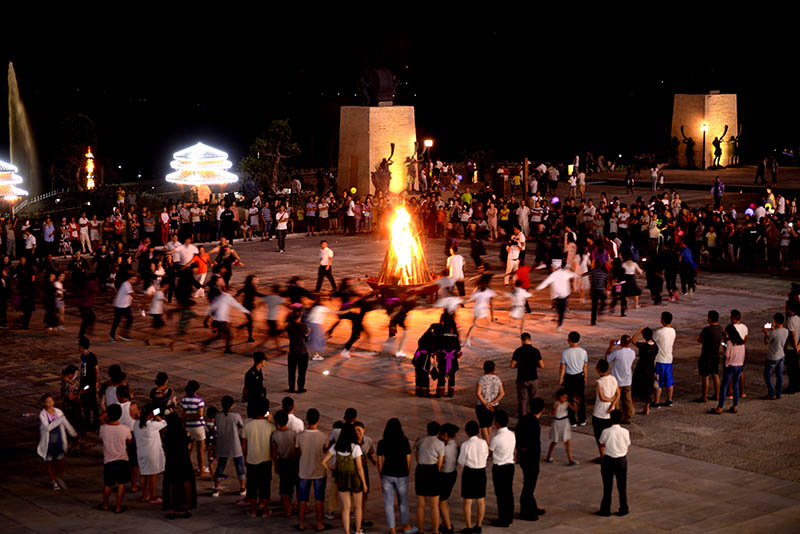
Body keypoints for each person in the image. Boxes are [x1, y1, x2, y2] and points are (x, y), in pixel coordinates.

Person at [321, 424, 367, 534]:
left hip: (341, 478)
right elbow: (360, 468)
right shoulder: (355, 447)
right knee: (357, 507)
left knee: (346, 507)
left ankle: (346, 532)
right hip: (354, 478)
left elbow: (323, 462)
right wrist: (364, 484)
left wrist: (331, 469)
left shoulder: (336, 446)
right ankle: (357, 530)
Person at [377, 418, 416, 534]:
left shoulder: (382, 442)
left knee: (388, 503)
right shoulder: (404, 441)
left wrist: (381, 475)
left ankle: (392, 530)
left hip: (387, 474)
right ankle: (405, 526)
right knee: (403, 502)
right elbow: (408, 458)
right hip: (402, 474)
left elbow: (379, 462)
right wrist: (407, 471)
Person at [296, 408, 328, 532]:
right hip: (319, 471)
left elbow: (298, 453)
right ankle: (320, 523)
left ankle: (301, 522)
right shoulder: (323, 436)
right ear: (319, 419)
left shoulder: (300, 436)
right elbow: (325, 451)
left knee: (303, 499)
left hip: (304, 471)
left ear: (306, 420)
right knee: (319, 499)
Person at [242, 398, 275, 517]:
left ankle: (252, 510)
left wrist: (245, 458)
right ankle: (265, 509)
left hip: (251, 460)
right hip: (266, 460)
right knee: (265, 486)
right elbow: (273, 445)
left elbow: (244, 445)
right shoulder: (271, 426)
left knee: (252, 486)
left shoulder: (247, 426)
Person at [38, 393, 78, 490]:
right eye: (48, 402)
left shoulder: (58, 412)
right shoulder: (42, 414)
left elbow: (66, 423)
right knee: (49, 461)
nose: (50, 403)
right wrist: (60, 420)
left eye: (51, 401)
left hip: (59, 439)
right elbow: (48, 427)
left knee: (61, 460)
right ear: (44, 403)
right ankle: (53, 480)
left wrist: (73, 433)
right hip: (49, 441)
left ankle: (58, 476)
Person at [712, 310, 748, 414]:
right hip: (739, 365)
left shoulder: (730, 343)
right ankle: (735, 405)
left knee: (724, 386)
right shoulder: (742, 344)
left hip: (730, 365)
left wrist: (723, 345)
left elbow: (727, 354)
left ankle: (720, 407)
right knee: (736, 385)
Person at [162, 412, 197, 519]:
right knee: (187, 483)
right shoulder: (185, 433)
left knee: (171, 484)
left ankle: (172, 509)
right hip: (184, 460)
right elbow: (190, 445)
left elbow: (165, 448)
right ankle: (188, 508)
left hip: (172, 460)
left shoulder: (166, 435)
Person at [516, 398, 546, 521]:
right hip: (531, 458)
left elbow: (518, 436)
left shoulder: (523, 419)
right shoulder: (534, 424)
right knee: (529, 484)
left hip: (524, 457)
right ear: (542, 410)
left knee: (529, 483)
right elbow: (533, 443)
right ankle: (525, 510)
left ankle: (532, 506)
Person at [99, 404, 132, 513]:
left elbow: (101, 439)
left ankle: (105, 504)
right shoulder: (125, 429)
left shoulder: (103, 429)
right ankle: (118, 506)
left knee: (108, 484)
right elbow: (129, 440)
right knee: (121, 484)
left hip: (109, 460)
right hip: (122, 459)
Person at [596, 410, 630, 517]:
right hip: (621, 460)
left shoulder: (606, 431)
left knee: (607, 487)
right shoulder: (625, 432)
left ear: (610, 418)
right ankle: (623, 508)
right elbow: (627, 443)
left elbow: (601, 443)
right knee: (622, 486)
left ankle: (605, 510)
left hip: (608, 460)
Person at [211, 395, 246, 498]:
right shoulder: (236, 416)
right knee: (239, 466)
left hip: (222, 444)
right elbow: (242, 427)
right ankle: (242, 487)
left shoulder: (217, 416)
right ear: (232, 405)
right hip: (234, 444)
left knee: (220, 466)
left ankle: (216, 488)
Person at [458, 420, 489, 534]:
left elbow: (461, 461)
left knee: (468, 501)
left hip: (469, 473)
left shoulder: (465, 445)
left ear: (467, 432)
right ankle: (478, 525)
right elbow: (486, 455)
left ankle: (468, 527)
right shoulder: (483, 443)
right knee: (480, 500)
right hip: (481, 472)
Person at [414, 421, 445, 534]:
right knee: (434, 505)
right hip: (433, 471)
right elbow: (440, 463)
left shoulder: (420, 440)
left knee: (421, 505)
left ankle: (420, 530)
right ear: (438, 431)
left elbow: (416, 455)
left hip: (421, 470)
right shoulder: (440, 443)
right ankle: (436, 531)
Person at [134, 404, 167, 504]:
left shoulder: (136, 423)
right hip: (152, 454)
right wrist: (156, 415)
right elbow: (164, 422)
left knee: (144, 474)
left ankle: (144, 495)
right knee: (153, 476)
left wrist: (152, 414)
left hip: (141, 453)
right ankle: (152, 497)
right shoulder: (151, 425)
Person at [489, 410, 516, 528]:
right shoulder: (512, 434)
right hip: (510, 466)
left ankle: (503, 519)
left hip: (499, 468)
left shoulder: (496, 438)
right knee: (508, 492)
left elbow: (490, 452)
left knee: (500, 494)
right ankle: (509, 516)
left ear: (497, 423)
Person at [271, 410, 299, 519]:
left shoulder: (275, 435)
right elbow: (297, 450)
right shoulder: (293, 434)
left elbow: (274, 453)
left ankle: (287, 508)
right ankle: (294, 505)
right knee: (293, 484)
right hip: (293, 462)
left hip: (282, 462)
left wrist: (275, 464)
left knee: (284, 487)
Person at [536, 262, 578, 331]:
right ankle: (560, 324)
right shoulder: (565, 272)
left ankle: (559, 321)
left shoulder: (554, 274)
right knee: (562, 311)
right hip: (565, 295)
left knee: (559, 310)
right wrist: (579, 275)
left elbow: (546, 282)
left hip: (557, 296)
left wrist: (538, 288)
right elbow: (573, 275)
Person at [592, 360, 619, 461]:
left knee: (599, 436)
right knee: (609, 436)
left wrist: (610, 400)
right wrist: (613, 404)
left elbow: (602, 398)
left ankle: (603, 456)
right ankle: (610, 454)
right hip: (610, 413)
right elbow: (618, 394)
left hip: (599, 413)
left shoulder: (599, 382)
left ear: (598, 369)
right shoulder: (613, 379)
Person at [510, 332, 543, 417]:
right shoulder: (535, 351)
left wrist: (520, 364)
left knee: (522, 401)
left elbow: (512, 365)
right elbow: (542, 365)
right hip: (533, 378)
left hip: (521, 379)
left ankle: (523, 420)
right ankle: (534, 417)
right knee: (534, 400)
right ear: (530, 339)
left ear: (521, 340)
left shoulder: (518, 351)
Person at [559, 331, 588, 426]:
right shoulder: (583, 352)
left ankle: (572, 420)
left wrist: (561, 379)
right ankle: (582, 419)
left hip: (569, 378)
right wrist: (585, 378)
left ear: (569, 340)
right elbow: (585, 366)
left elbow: (563, 367)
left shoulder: (565, 353)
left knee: (570, 399)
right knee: (580, 399)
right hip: (579, 377)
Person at [180, 380, 208, 477]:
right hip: (198, 427)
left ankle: (186, 469)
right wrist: (192, 415)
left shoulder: (183, 400)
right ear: (197, 390)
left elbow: (182, 415)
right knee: (200, 450)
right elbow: (200, 414)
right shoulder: (199, 401)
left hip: (188, 427)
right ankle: (201, 470)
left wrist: (184, 425)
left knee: (188, 450)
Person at [605, 335, 636, 423]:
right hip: (627, 379)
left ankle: (616, 417)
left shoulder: (618, 352)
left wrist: (611, 346)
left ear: (621, 342)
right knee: (627, 400)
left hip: (617, 380)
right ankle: (628, 416)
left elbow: (607, 359)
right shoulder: (632, 352)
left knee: (616, 400)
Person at [545, 389, 578, 465]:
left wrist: (575, 402)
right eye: (563, 397)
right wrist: (554, 409)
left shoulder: (567, 403)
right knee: (555, 440)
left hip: (565, 422)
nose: (564, 399)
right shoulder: (556, 403)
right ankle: (549, 456)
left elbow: (574, 409)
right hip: (557, 422)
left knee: (567, 441)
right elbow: (553, 413)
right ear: (559, 397)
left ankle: (570, 459)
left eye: (565, 397)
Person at [696, 310, 724, 402]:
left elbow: (699, 339)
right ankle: (717, 395)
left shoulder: (706, 330)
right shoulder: (720, 329)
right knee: (715, 375)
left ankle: (704, 397)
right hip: (715, 355)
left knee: (705, 377)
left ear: (710, 319)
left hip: (706, 356)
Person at [437, 424, 459, 534]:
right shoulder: (455, 445)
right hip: (453, 473)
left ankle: (448, 527)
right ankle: (445, 523)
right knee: (444, 501)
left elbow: (440, 464)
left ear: (445, 435)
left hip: (444, 476)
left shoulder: (444, 448)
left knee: (441, 501)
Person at [475, 360, 504, 443]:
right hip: (494, 405)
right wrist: (492, 403)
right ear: (494, 368)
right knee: (489, 424)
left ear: (484, 368)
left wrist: (485, 403)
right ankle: (488, 442)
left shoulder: (481, 379)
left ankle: (487, 445)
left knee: (483, 425)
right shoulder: (497, 379)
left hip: (482, 405)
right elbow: (502, 393)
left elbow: (478, 393)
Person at [631, 327, 658, 415]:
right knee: (648, 389)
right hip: (650, 369)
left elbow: (633, 340)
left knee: (635, 387)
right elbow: (654, 360)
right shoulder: (655, 346)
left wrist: (639, 330)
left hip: (641, 368)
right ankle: (646, 408)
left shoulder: (643, 346)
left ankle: (632, 407)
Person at [653, 311, 676, 407]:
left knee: (658, 382)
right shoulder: (673, 331)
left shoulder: (659, 332)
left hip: (659, 360)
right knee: (669, 381)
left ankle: (656, 402)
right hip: (669, 359)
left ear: (662, 320)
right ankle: (669, 400)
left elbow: (652, 342)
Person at [464, 277, 496, 347]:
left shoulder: (478, 291)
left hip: (477, 309)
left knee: (474, 325)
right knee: (486, 323)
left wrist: (464, 302)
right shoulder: (488, 291)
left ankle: (468, 339)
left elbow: (471, 299)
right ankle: (469, 338)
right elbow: (495, 296)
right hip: (483, 309)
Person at [763, 313, 789, 400]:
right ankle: (778, 393)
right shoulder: (786, 331)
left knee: (767, 375)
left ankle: (772, 392)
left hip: (773, 356)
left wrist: (766, 333)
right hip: (781, 354)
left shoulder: (774, 333)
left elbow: (767, 342)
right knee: (779, 375)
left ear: (776, 321)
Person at [286, 309, 310, 393]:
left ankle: (291, 388)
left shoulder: (289, 327)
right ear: (300, 316)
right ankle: (300, 388)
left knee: (291, 372)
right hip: (302, 352)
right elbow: (306, 339)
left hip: (292, 352)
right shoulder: (304, 327)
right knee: (302, 372)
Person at [78, 337, 100, 432]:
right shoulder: (82, 356)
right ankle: (87, 421)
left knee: (92, 402)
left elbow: (96, 370)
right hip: (83, 382)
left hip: (90, 382)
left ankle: (95, 422)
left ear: (82, 346)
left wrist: (95, 382)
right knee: (85, 402)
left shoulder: (92, 357)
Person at [109, 273, 137, 342]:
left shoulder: (128, 285)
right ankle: (117, 334)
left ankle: (122, 334)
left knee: (128, 319)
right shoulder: (126, 284)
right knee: (118, 321)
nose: (135, 281)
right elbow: (132, 294)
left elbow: (129, 297)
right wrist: (141, 301)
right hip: (120, 306)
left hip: (125, 306)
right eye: (133, 279)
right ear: (129, 279)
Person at [784, 302, 800, 394]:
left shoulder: (790, 320)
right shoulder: (799, 319)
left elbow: (792, 335)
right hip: (798, 346)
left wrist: (795, 347)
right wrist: (799, 345)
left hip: (791, 348)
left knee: (791, 369)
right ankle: (797, 385)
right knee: (797, 367)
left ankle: (792, 387)